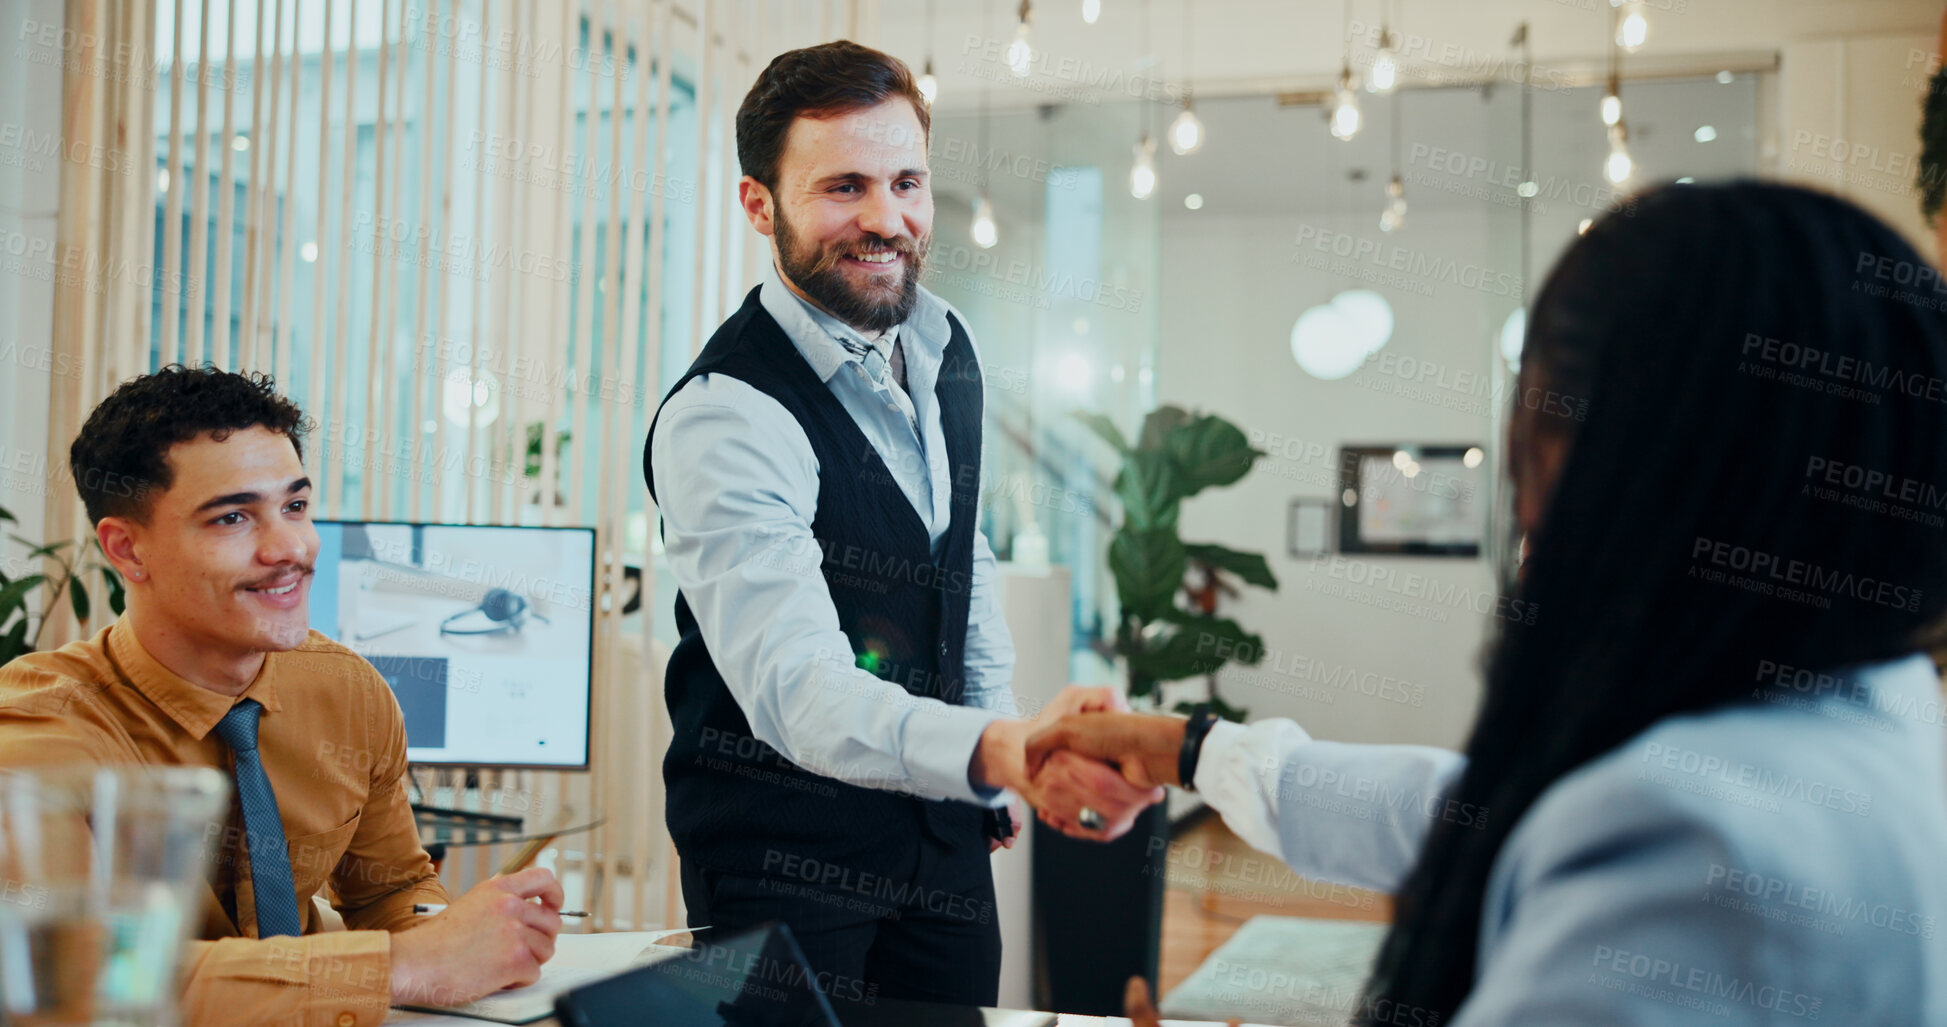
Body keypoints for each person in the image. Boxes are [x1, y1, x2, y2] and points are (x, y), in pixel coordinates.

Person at [1029, 182, 1947, 1025]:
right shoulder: (1869, 702)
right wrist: (1188, 747)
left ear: (1621, 471)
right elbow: (1476, 813)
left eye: (1533, 446)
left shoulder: (1699, 849)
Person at [644, 40, 1159, 1009]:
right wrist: (998, 748)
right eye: (845, 187)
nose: (887, 219)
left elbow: (965, 557)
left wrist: (989, 757)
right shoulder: (728, 413)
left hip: (944, 839)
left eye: (907, 181)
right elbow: (799, 691)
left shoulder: (944, 341)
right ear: (761, 205)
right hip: (784, 859)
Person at [0, 366, 564, 1027]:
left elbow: (390, 890)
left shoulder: (347, 689)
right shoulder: (39, 723)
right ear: (127, 549)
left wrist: (472, 937)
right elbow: (66, 971)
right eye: (234, 517)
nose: (291, 547)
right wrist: (407, 964)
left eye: (295, 505)